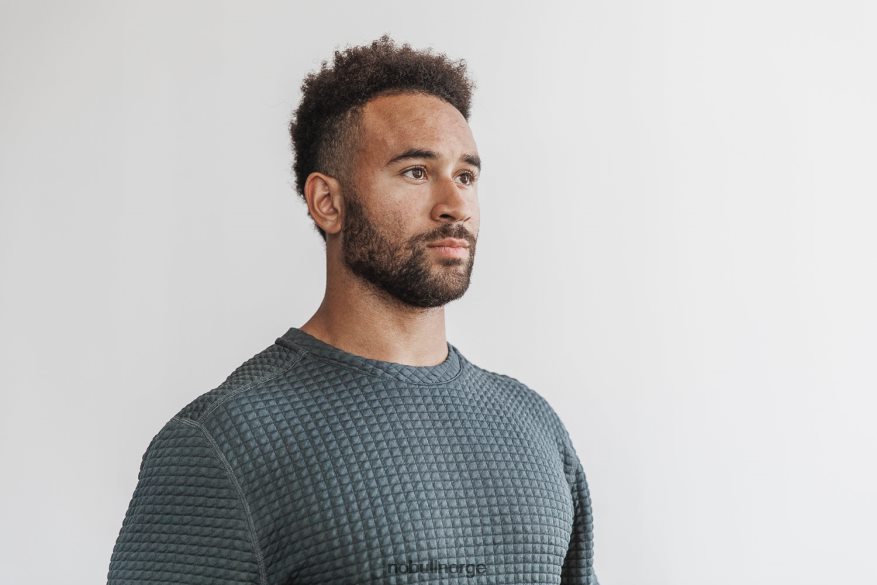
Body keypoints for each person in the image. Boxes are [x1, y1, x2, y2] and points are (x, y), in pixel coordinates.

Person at [106, 34, 599, 585]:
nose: (455, 205)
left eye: (465, 176)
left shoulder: (533, 424)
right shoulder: (227, 440)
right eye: (416, 172)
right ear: (328, 202)